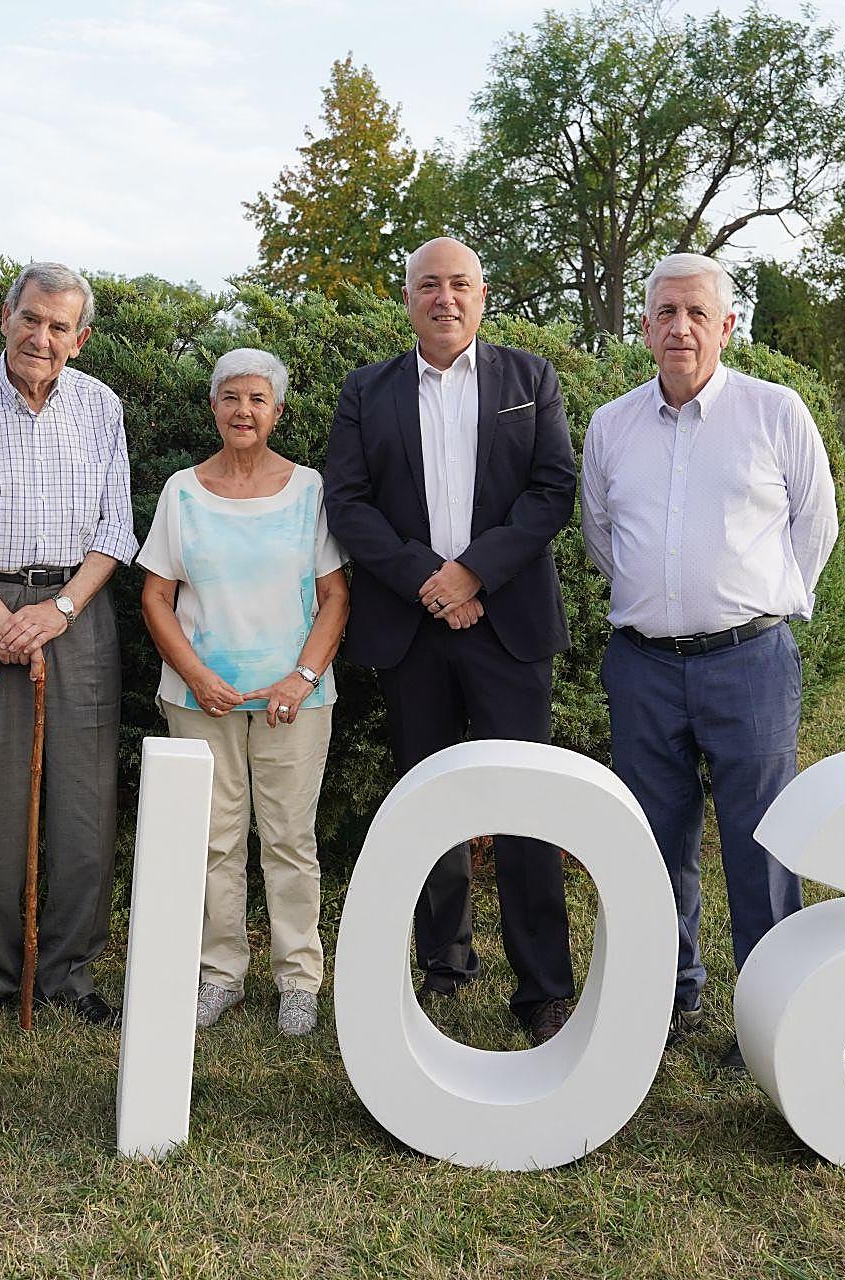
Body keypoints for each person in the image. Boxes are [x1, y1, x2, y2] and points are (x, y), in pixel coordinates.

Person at [580, 252, 838, 1071]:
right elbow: (600, 537)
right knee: (652, 843)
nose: (680, 327)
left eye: (698, 313)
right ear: (645, 326)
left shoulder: (775, 413)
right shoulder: (610, 426)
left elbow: (815, 525)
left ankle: (767, 1016)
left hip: (749, 663)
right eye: (665, 313)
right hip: (643, 667)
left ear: (728, 325)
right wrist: (661, 607)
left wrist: (754, 603)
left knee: (760, 845)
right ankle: (667, 996)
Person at [323, 236, 578, 1046]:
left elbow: (552, 491)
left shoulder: (528, 379)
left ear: (482, 292)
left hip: (507, 624)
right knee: (427, 799)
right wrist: (430, 581)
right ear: (407, 298)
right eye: (428, 285)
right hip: (413, 626)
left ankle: (542, 986)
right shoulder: (368, 390)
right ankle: (445, 961)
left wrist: (472, 574)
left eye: (459, 284)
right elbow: (350, 503)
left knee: (524, 805)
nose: (445, 298)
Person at [0, 262, 137, 1030]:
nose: (42, 337)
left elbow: (116, 531)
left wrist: (60, 610)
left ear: (82, 339)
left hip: (77, 608)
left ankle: (69, 974)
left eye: (59, 326)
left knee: (84, 797)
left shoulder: (102, 407)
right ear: (5, 315)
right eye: (31, 318)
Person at [139, 348, 350, 1038]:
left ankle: (298, 980)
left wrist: (302, 676)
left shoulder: (310, 490)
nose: (243, 411)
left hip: (294, 700)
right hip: (201, 698)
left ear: (278, 412)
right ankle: (220, 974)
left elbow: (334, 596)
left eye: (258, 399)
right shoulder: (183, 491)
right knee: (212, 841)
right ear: (213, 407)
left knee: (290, 840)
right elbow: (156, 596)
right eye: (231, 397)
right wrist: (196, 676)